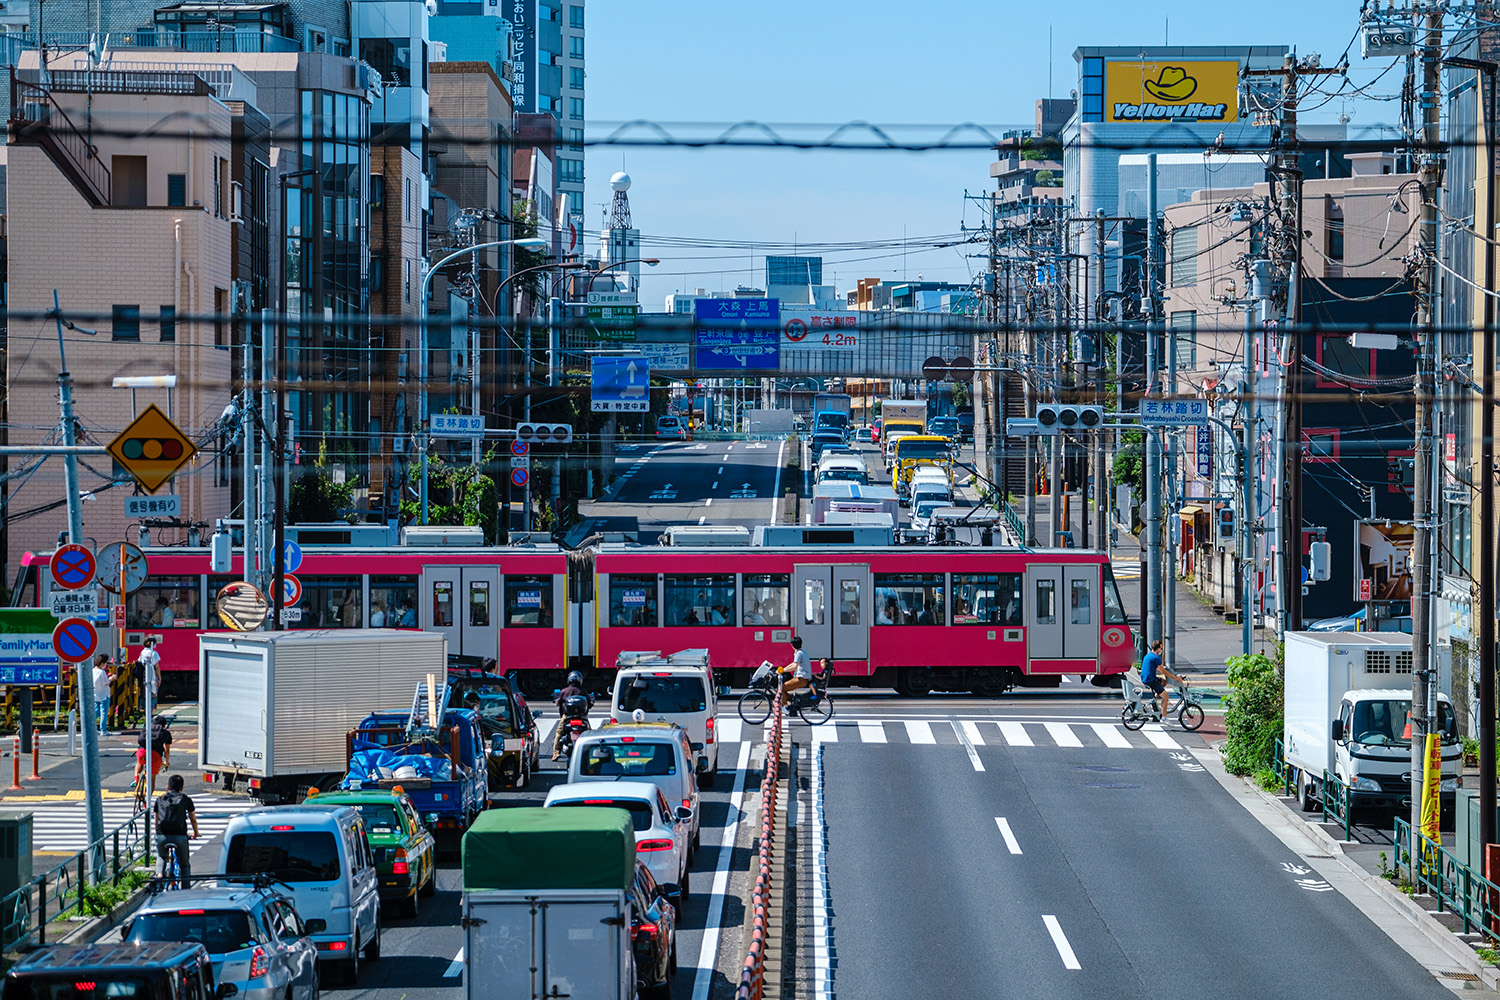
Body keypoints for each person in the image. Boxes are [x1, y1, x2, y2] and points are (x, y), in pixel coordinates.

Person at [153, 774, 199, 888]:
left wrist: (157, 833)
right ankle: (186, 889)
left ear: (167, 787)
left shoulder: (159, 800)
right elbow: (193, 819)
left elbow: (156, 820)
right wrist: (195, 833)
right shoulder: (186, 800)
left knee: (162, 856)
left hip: (162, 835)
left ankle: (159, 875)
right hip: (180, 836)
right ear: (182, 788)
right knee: (184, 865)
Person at [1141, 640, 1183, 719]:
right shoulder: (1156, 658)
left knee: (1164, 681)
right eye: (1161, 648)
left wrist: (1165, 672)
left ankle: (1154, 699)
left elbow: (1156, 668)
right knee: (1166, 697)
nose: (1161, 650)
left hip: (1145, 678)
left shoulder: (1148, 655)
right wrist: (1175, 678)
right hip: (1150, 680)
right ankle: (1164, 718)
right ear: (1158, 648)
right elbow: (1163, 670)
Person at [552, 671, 588, 760]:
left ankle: (556, 752)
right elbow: (589, 704)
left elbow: (559, 703)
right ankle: (589, 751)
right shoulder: (583, 691)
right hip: (582, 717)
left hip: (567, 716)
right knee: (588, 732)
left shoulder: (564, 691)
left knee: (559, 733)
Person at [134, 714, 173, 793]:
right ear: (164, 725)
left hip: (142, 753)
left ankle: (136, 776)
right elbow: (167, 750)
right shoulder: (165, 733)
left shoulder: (146, 728)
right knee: (152, 779)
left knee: (139, 762)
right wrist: (166, 761)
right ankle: (146, 802)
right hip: (155, 756)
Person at [778, 636, 813, 705]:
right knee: (783, 688)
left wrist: (783, 670)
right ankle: (793, 703)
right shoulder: (803, 652)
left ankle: (785, 707)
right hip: (804, 679)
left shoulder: (798, 653)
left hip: (801, 679)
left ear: (792, 645)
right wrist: (784, 668)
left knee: (780, 688)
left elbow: (794, 666)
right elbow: (794, 663)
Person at [136, 635, 162, 719]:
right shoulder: (154, 653)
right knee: (153, 693)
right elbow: (157, 666)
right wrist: (159, 677)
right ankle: (150, 712)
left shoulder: (142, 652)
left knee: (144, 693)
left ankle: (145, 712)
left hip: (143, 676)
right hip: (152, 675)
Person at [88, 654, 112, 736]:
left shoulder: (92, 671)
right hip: (104, 695)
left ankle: (92, 728)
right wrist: (111, 678)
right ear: (102, 663)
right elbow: (105, 683)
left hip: (95, 694)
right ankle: (103, 730)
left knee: (95, 712)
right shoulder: (102, 672)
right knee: (104, 713)